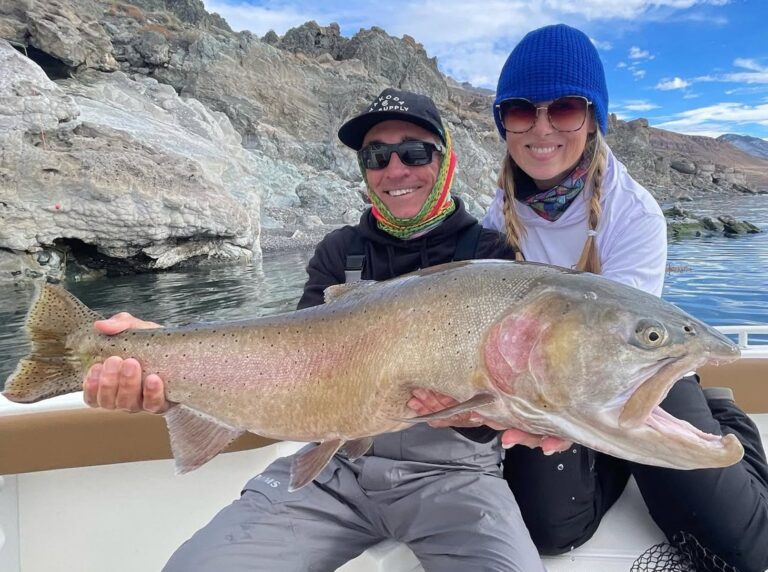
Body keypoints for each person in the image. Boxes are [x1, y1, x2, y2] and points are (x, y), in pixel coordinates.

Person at [82, 88, 548, 572]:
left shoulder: (492, 256)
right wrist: (162, 358)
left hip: (455, 477)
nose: (394, 170)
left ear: (444, 159)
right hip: (337, 468)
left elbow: (509, 395)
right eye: (375, 156)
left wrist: (474, 417)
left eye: (413, 152)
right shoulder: (337, 250)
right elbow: (296, 358)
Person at [412, 23, 768, 572]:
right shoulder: (494, 217)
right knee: (553, 533)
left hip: (637, 372)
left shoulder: (636, 212)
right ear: (504, 123)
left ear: (594, 117)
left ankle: (723, 414)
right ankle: (616, 460)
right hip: (554, 382)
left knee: (739, 546)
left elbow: (628, 345)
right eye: (521, 111)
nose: (542, 128)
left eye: (566, 108)